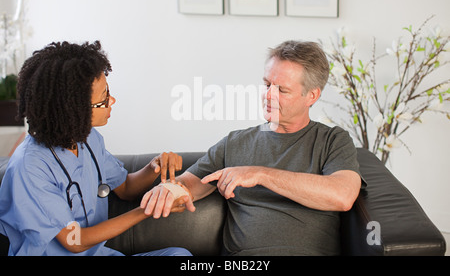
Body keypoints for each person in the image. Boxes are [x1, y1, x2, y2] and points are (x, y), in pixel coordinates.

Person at [140, 40, 366, 255]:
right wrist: (169, 189)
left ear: (312, 95)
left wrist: (260, 174)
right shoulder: (235, 143)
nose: (269, 96)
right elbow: (191, 183)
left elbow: (342, 195)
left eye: (282, 90)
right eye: (267, 85)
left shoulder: (332, 141)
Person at [0, 41, 192, 256]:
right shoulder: (30, 167)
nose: (112, 101)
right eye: (103, 100)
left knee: (179, 255)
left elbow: (126, 188)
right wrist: (147, 210)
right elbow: (74, 240)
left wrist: (154, 166)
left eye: (108, 92)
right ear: (72, 109)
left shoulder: (88, 139)